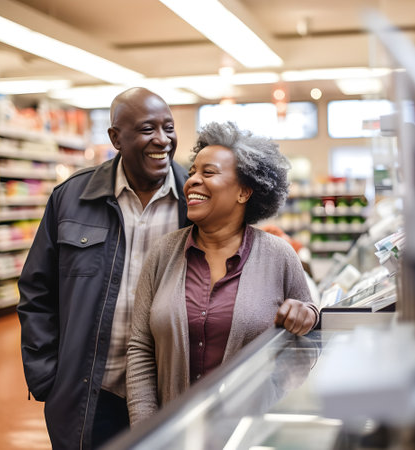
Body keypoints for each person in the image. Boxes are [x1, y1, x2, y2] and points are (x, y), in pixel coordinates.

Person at [16, 87, 191, 449]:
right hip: (90, 394)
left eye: (169, 128)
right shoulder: (71, 199)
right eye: (147, 129)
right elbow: (37, 289)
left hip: (171, 392)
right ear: (116, 137)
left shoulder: (196, 199)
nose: (162, 140)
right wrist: (46, 376)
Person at [126, 121, 319, 425]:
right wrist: (145, 429)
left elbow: (308, 329)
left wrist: (307, 314)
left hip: (250, 431)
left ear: (244, 192)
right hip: (175, 434)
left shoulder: (279, 255)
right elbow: (140, 348)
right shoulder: (163, 254)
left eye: (209, 173)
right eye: (192, 173)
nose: (192, 182)